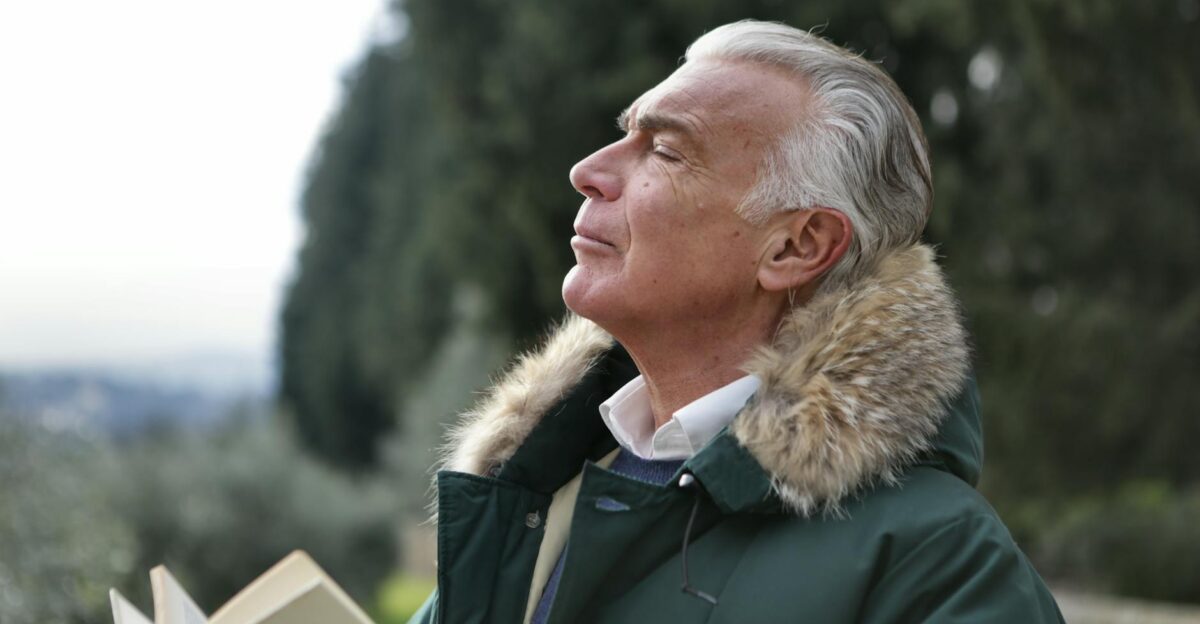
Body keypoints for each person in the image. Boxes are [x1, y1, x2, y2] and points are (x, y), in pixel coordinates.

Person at [409, 19, 1063, 624]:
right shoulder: (535, 494)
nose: (588, 172)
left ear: (797, 247)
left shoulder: (939, 561)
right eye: (626, 134)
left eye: (666, 151)